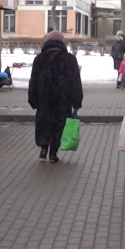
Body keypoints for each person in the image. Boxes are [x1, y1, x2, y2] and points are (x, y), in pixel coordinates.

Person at [28, 30, 84, 163]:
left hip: (44, 99)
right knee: (59, 124)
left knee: (44, 123)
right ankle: (53, 153)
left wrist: (33, 99)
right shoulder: (70, 59)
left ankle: (43, 148)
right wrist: (77, 100)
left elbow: (33, 81)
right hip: (62, 100)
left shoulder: (39, 59)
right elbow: (75, 81)